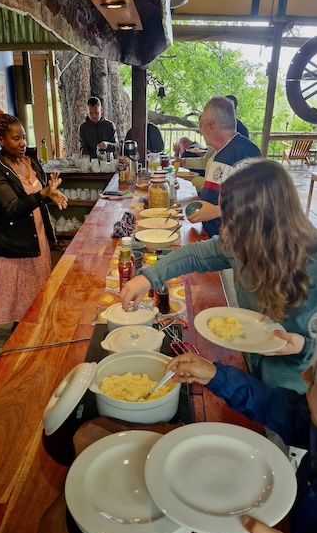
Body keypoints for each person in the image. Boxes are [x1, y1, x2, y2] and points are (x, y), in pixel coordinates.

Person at [120, 160, 317, 393]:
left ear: (262, 223)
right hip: (250, 370)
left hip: (296, 389)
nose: (223, 232)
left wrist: (305, 346)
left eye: (232, 223)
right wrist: (148, 277)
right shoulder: (243, 241)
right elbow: (196, 255)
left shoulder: (311, 264)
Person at [162, 319, 317, 533]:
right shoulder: (312, 422)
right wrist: (217, 376)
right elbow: (281, 410)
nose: (305, 375)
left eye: (316, 377)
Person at [0, 107, 68, 327]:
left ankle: (37, 329)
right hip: (18, 245)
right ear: (0, 140)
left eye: (24, 137)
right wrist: (42, 194)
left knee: (38, 296)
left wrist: (50, 194)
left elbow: (37, 196)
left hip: (38, 239)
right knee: (20, 303)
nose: (22, 143)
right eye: (16, 138)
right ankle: (20, 337)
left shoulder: (29, 162)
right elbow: (12, 207)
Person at [188, 96, 261, 237]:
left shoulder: (238, 154)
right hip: (217, 236)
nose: (201, 132)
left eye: (201, 125)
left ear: (210, 126)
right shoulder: (237, 148)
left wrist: (216, 211)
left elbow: (257, 202)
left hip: (231, 242)